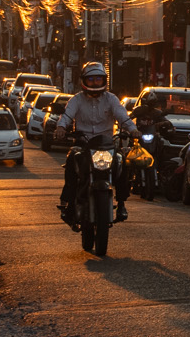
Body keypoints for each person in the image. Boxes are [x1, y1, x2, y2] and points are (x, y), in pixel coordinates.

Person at [55, 61, 137, 222]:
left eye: (98, 79)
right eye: (91, 79)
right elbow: (66, 116)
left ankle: (121, 204)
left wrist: (133, 130)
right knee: (72, 160)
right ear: (84, 80)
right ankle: (68, 203)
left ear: (104, 80)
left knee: (122, 162)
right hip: (83, 144)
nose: (95, 83)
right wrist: (61, 128)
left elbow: (123, 117)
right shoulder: (76, 100)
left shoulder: (111, 99)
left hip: (106, 144)